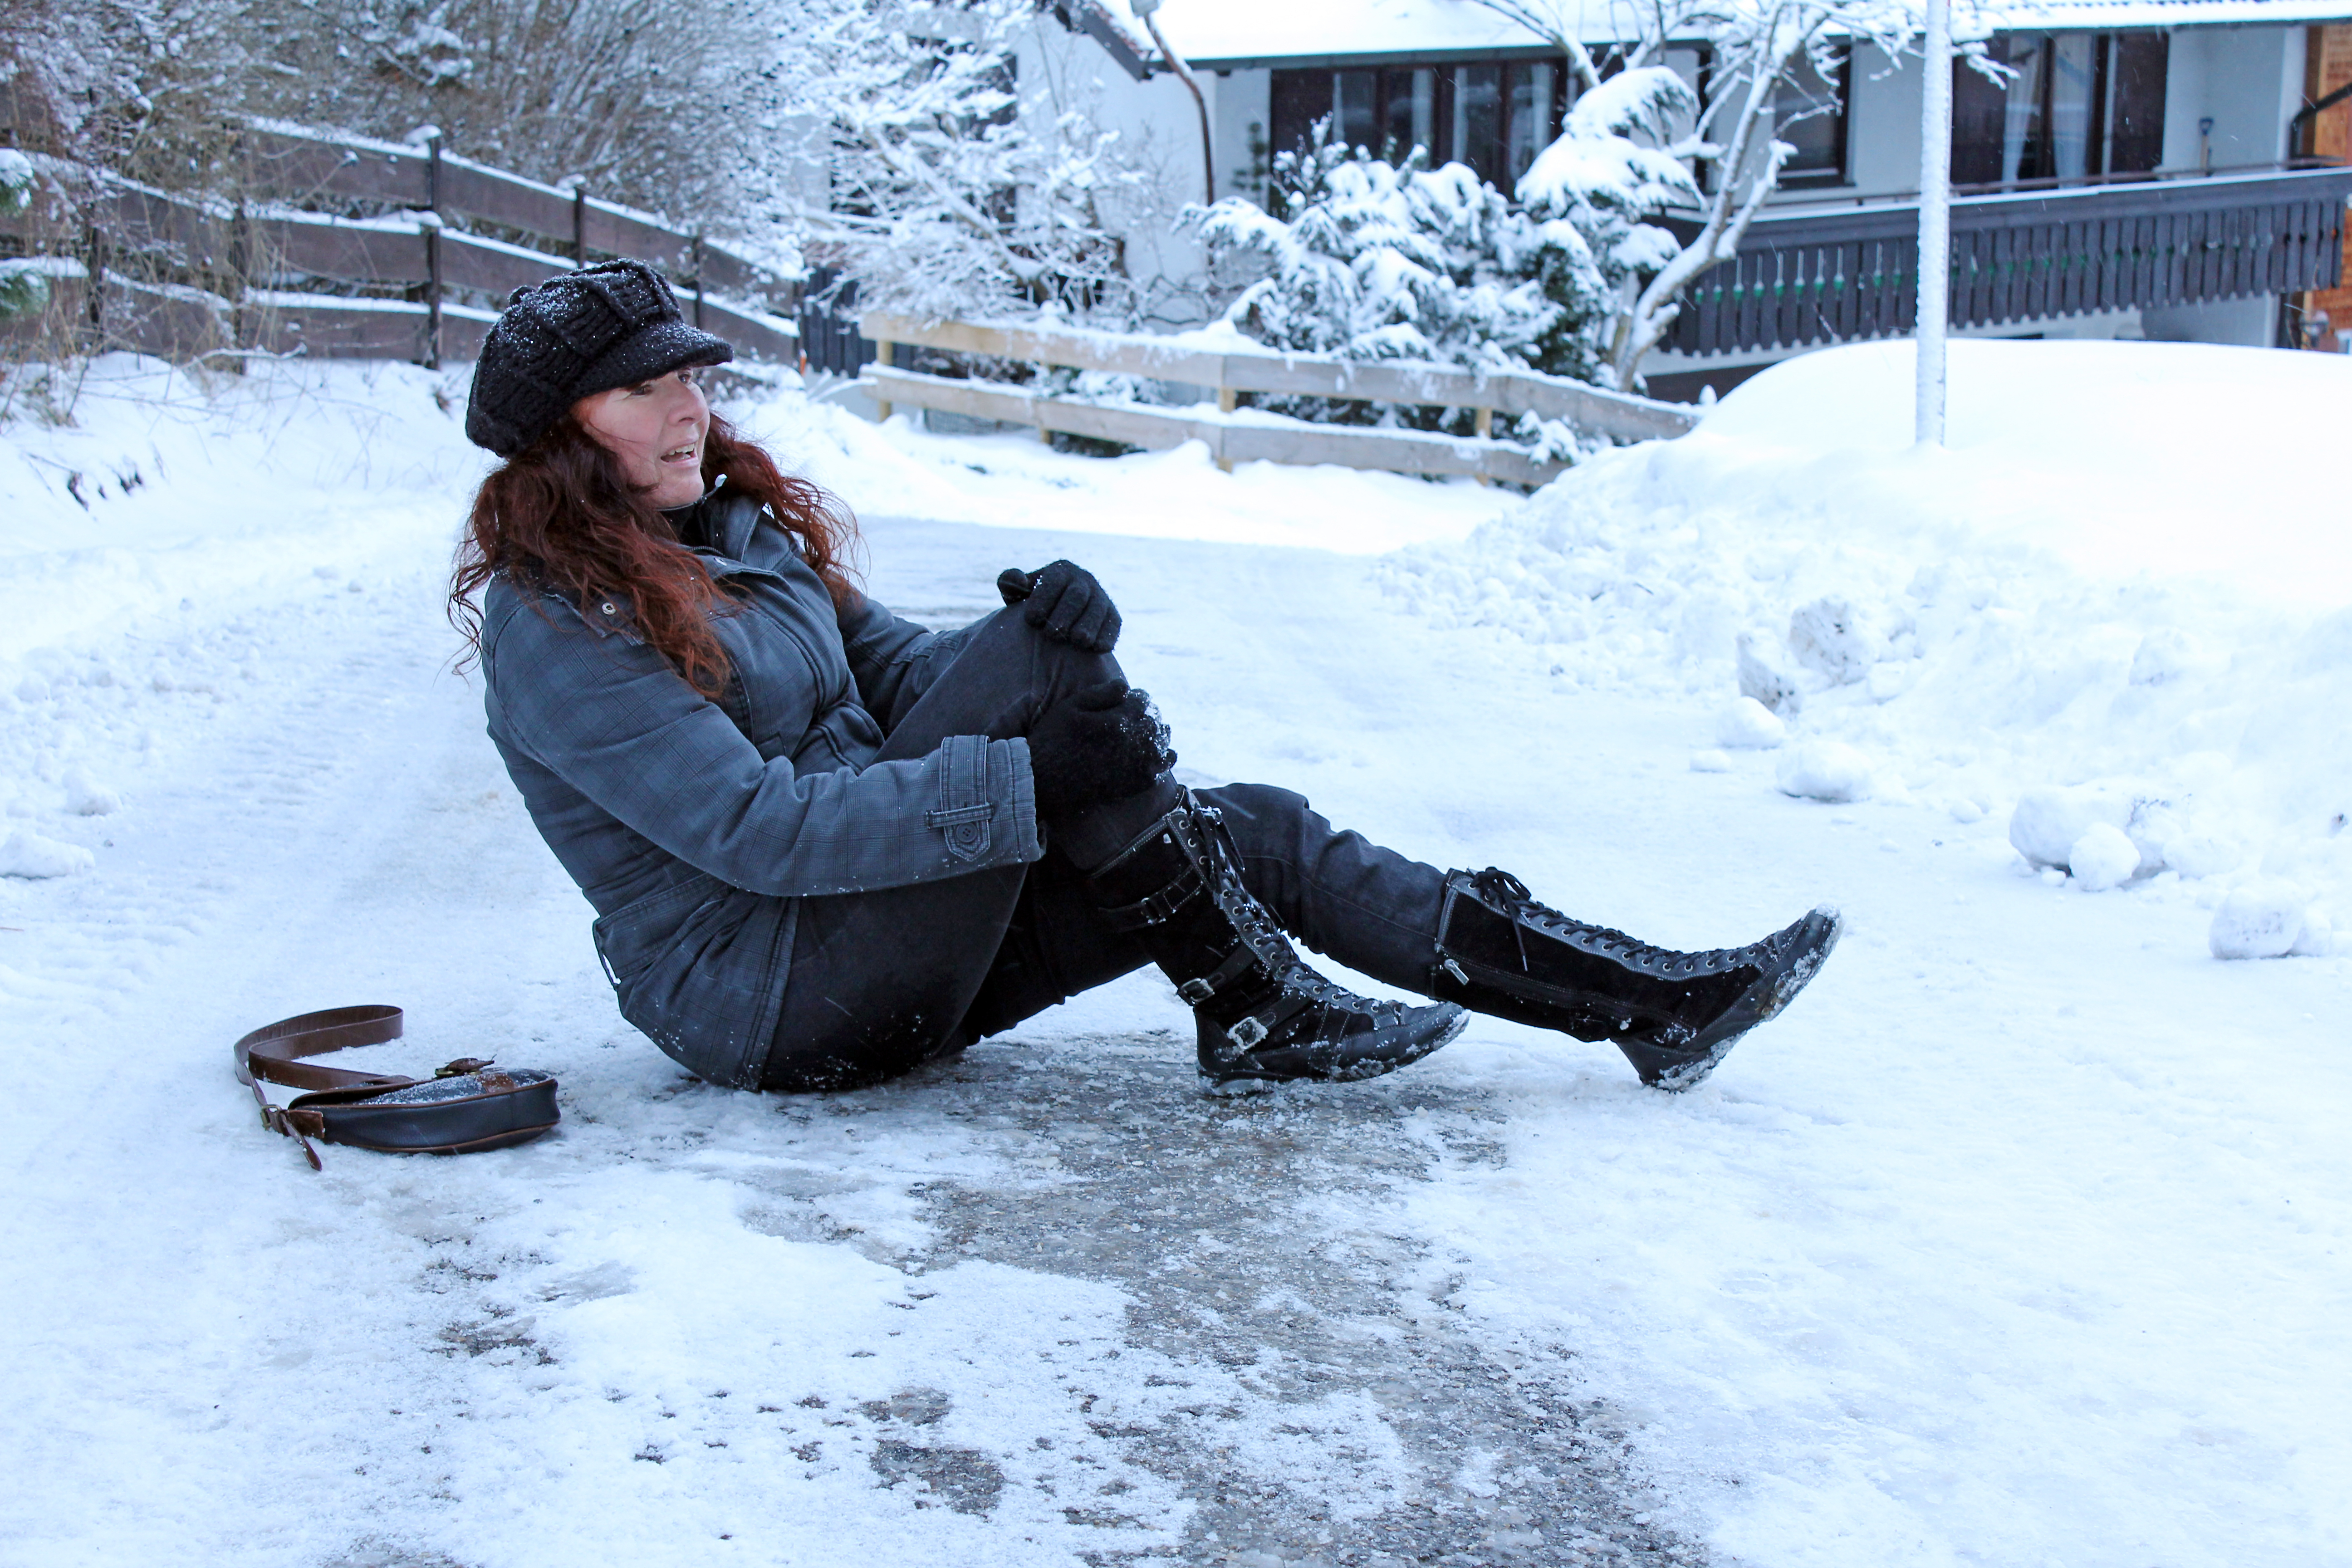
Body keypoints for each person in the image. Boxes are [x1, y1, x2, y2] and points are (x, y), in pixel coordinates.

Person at [451, 260, 1840, 1097]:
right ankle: (1252, 1003)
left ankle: (1655, 1007)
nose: (694, 405)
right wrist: (1027, 772)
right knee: (1056, 710)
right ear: (562, 439)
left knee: (1254, 828)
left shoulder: (735, 533)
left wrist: (1053, 640)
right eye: (647, 392)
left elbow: (905, 668)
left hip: (885, 927)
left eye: (692, 375)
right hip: (769, 996)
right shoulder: (555, 618)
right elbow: (757, 833)